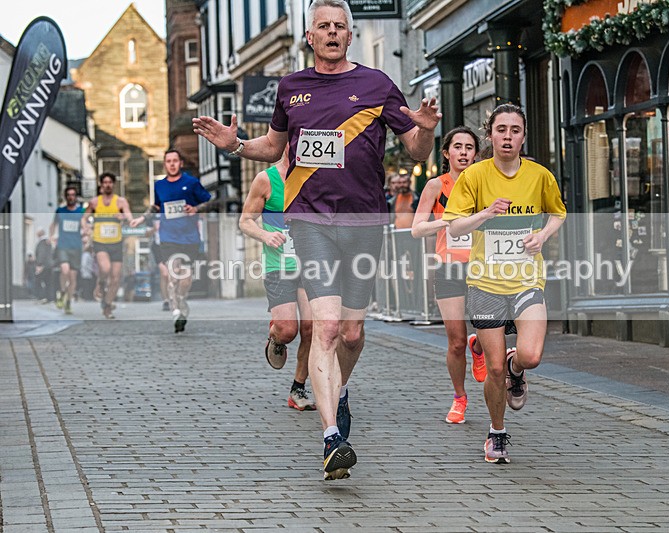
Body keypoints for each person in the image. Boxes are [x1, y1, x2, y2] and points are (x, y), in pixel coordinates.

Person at [193, 0, 439, 480]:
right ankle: (331, 438)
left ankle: (338, 390)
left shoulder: (376, 85)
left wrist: (427, 132)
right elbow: (274, 147)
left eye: (340, 26)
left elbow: (415, 147)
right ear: (310, 36)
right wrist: (235, 144)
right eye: (323, 25)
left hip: (364, 224)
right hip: (309, 224)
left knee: (351, 333)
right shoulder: (292, 88)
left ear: (350, 36)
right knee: (324, 329)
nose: (332, 32)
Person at [443, 104, 566, 464]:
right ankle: (497, 432)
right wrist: (485, 213)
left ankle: (518, 368)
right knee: (491, 368)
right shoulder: (474, 176)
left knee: (531, 355)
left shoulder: (539, 175)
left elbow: (558, 212)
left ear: (523, 136)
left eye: (515, 130)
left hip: (527, 279)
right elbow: (454, 226)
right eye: (501, 130)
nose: (508, 136)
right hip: (485, 284)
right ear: (490, 134)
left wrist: (542, 235)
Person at [411, 126, 486, 424]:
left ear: (476, 154)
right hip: (449, 266)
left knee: (489, 328)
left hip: (482, 266)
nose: (464, 152)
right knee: (455, 341)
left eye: (469, 147)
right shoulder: (435, 186)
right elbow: (417, 229)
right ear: (447, 153)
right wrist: (447, 223)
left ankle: (478, 346)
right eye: (458, 147)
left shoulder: (484, 183)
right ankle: (459, 398)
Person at [239, 145, 316, 411]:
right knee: (289, 329)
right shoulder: (266, 179)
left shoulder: (315, 176)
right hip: (278, 264)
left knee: (311, 328)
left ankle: (298, 388)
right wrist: (265, 235)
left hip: (310, 265)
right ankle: (276, 336)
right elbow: (245, 220)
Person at [131, 149, 211, 333]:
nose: (172, 164)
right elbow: (156, 206)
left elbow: (208, 201)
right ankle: (176, 311)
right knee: (173, 275)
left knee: (186, 278)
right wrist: (141, 219)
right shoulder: (159, 185)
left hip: (190, 238)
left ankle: (182, 300)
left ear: (180, 163)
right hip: (168, 238)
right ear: (165, 164)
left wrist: (196, 208)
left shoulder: (191, 183)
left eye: (175, 160)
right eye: (168, 161)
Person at [82, 173, 135, 319]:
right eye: (105, 182)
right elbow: (84, 218)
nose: (107, 185)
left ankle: (107, 305)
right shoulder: (94, 202)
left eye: (110, 182)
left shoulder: (120, 201)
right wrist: (86, 227)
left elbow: (129, 217)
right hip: (100, 242)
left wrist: (123, 217)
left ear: (113, 184)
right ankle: (99, 284)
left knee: (116, 278)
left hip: (116, 242)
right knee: (105, 268)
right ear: (100, 184)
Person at [50, 186, 85, 314]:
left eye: (73, 195)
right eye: (68, 195)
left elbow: (84, 225)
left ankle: (68, 302)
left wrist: (87, 233)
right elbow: (53, 225)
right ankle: (62, 292)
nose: (71, 197)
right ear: (66, 197)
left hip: (76, 247)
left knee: (73, 277)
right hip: (63, 246)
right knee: (64, 270)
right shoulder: (60, 211)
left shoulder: (81, 211)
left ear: (76, 197)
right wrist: (52, 236)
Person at [33, 229, 54, 303]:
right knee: (49, 282)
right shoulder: (48, 243)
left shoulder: (41, 243)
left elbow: (41, 254)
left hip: (43, 265)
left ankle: (42, 296)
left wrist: (39, 264)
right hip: (50, 265)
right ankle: (50, 297)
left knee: (38, 281)